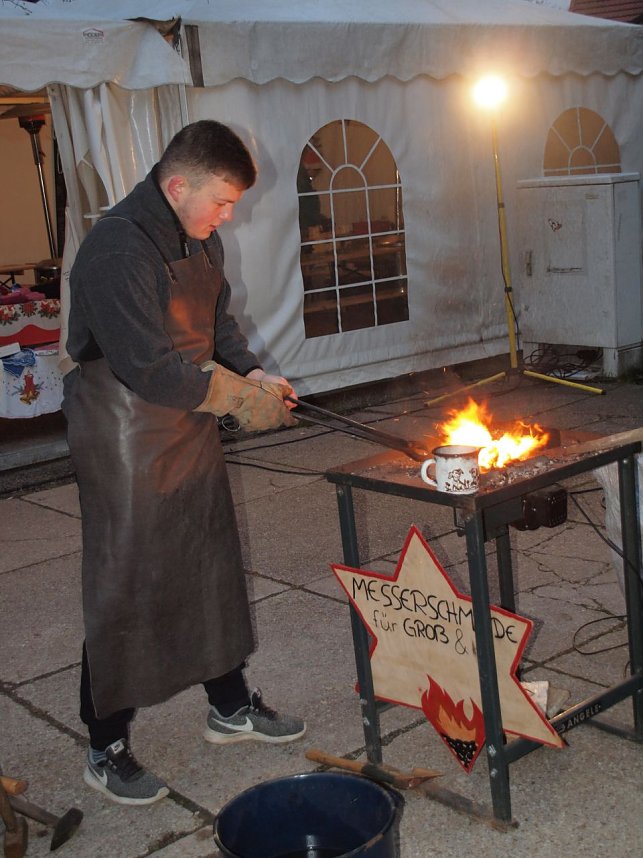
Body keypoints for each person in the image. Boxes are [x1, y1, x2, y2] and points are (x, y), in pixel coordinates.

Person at [63, 120, 304, 806]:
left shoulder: (199, 238)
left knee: (207, 559)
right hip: (124, 425)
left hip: (189, 414)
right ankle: (102, 743)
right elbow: (145, 367)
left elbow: (218, 329)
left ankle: (228, 706)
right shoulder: (115, 248)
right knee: (129, 576)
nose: (228, 215)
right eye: (222, 201)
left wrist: (257, 375)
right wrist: (236, 399)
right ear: (177, 186)